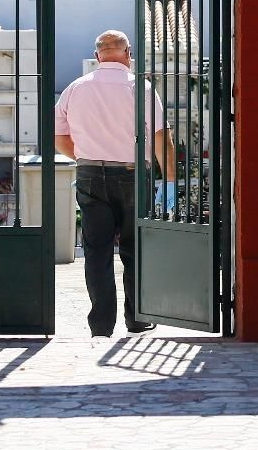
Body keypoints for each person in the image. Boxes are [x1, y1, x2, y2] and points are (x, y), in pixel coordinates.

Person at [53, 30, 174, 337]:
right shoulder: (141, 88)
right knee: (135, 248)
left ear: (97, 56)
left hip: (90, 174)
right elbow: (161, 137)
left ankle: (101, 325)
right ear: (128, 53)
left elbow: (59, 137)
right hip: (133, 174)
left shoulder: (75, 89)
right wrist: (170, 180)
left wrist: (85, 156)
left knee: (97, 252)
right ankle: (137, 318)